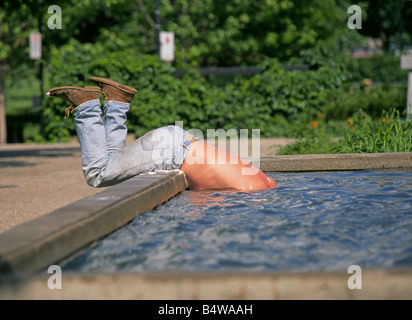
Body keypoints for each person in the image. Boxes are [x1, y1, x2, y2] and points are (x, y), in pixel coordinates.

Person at [46, 77, 277, 191]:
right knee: (98, 174)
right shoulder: (250, 193)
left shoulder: (267, 182)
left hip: (177, 141)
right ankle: (85, 106)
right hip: (171, 153)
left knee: (113, 163)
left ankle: (117, 101)